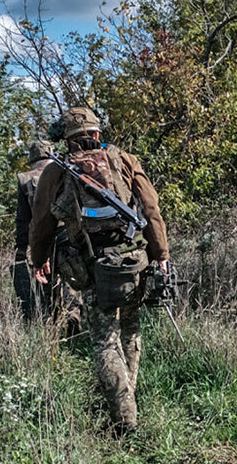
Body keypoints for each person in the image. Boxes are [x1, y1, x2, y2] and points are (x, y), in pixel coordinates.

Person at [28, 107, 170, 434]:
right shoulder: (124, 159)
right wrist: (160, 252)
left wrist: (39, 259)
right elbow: (150, 209)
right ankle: (128, 402)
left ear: (67, 139)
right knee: (131, 330)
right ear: (95, 133)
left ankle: (124, 417)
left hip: (93, 266)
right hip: (135, 260)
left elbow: (42, 223)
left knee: (105, 342)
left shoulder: (57, 171)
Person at [13, 140, 81, 329]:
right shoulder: (67, 172)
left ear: (32, 158)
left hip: (42, 238)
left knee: (47, 281)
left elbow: (23, 221)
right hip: (69, 235)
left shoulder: (25, 179)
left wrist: (20, 250)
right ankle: (73, 320)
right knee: (72, 281)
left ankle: (54, 323)